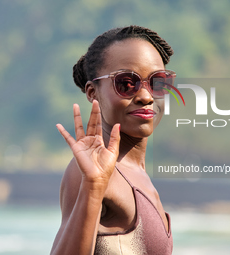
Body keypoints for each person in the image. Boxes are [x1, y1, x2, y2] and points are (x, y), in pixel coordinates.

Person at [50, 25, 175, 255]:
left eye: (158, 82)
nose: (146, 96)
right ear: (92, 92)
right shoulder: (92, 172)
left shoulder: (136, 172)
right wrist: (94, 185)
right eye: (127, 83)